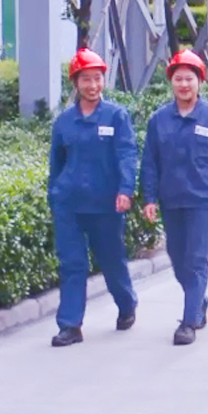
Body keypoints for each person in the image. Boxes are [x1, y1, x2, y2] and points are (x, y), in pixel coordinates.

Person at [140, 49, 208, 346]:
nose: (184, 84)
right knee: (178, 259)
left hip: (204, 200)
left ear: (200, 81)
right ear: (171, 82)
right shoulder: (159, 120)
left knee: (196, 259)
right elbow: (150, 162)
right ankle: (198, 300)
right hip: (172, 199)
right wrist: (149, 198)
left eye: (189, 79)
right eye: (178, 79)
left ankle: (188, 322)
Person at [47, 48, 139, 348]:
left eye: (97, 78)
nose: (93, 85)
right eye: (86, 79)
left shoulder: (116, 116)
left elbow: (126, 155)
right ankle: (70, 325)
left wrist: (125, 190)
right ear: (75, 82)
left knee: (112, 261)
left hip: (105, 204)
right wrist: (54, 198)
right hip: (69, 205)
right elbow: (56, 164)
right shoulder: (64, 122)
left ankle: (127, 304)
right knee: (72, 264)